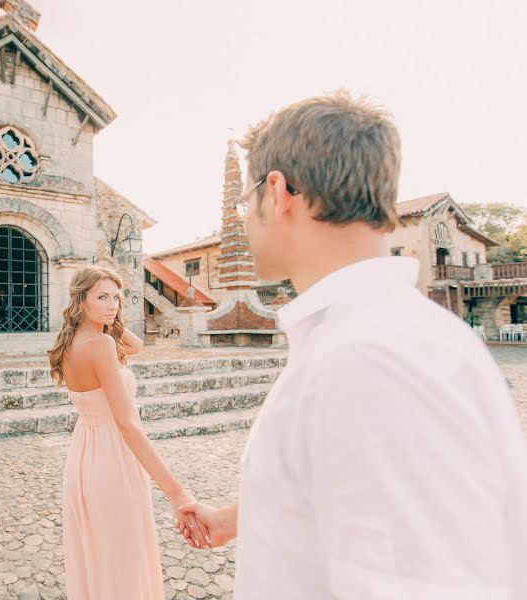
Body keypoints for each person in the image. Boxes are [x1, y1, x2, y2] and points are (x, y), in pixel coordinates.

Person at [177, 90, 527, 599]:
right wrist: (245, 515)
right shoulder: (379, 337)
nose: (244, 219)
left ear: (277, 192)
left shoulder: (369, 361)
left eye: (242, 203)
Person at [48, 265, 210, 599]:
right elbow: (128, 424)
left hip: (83, 457)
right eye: (102, 297)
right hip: (113, 459)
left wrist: (110, 321)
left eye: (117, 298)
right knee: (124, 563)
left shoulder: (71, 343)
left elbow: (135, 346)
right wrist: (176, 491)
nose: (113, 305)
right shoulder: (100, 345)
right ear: (80, 301)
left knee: (101, 559)